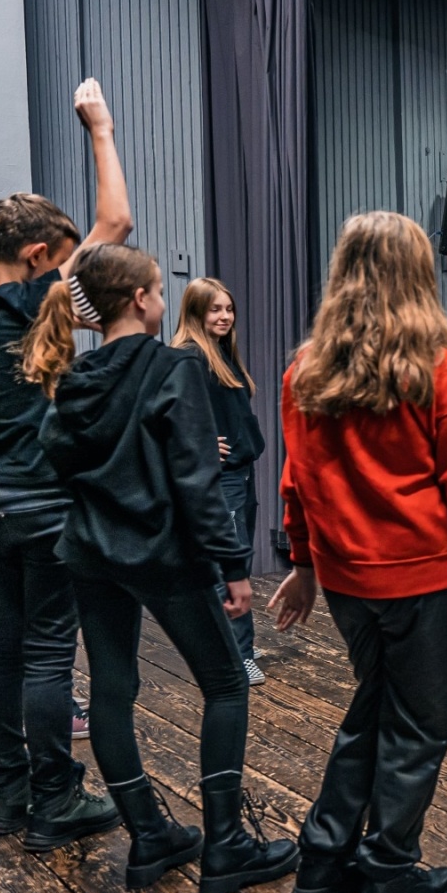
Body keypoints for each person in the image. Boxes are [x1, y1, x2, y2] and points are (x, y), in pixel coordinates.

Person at [25, 243, 298, 893]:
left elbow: (53, 456)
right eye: (155, 288)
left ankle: (150, 835)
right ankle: (226, 845)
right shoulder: (173, 367)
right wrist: (234, 567)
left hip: (91, 556)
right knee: (227, 684)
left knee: (114, 690)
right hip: (163, 556)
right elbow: (198, 482)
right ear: (143, 299)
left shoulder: (76, 378)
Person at [268, 211, 447, 893]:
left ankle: (322, 861)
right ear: (418, 274)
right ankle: (390, 871)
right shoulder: (437, 366)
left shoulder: (305, 370)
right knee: (418, 728)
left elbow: (295, 482)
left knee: (371, 710)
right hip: (425, 578)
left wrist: (304, 564)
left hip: (347, 584)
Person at [0, 78, 128, 850]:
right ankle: (56, 800)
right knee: (48, 653)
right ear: (40, 257)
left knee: (3, 648)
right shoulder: (35, 304)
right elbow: (117, 219)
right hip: (45, 503)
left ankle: (3, 798)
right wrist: (99, 127)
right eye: (60, 257)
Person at [172, 278, 268, 685]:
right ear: (195, 312)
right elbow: (161, 418)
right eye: (215, 309)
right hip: (220, 480)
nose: (225, 316)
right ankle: (237, 656)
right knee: (229, 570)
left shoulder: (222, 356)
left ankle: (234, 643)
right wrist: (199, 445)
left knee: (236, 563)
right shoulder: (189, 358)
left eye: (228, 309)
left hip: (241, 476)